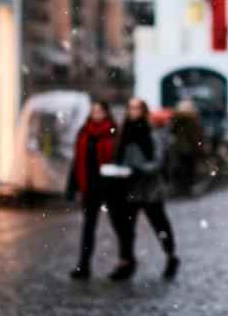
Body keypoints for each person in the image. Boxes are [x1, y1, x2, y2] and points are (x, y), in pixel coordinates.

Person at [111, 98, 181, 280]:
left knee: (159, 224)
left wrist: (140, 169)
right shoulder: (124, 134)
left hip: (150, 188)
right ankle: (126, 261)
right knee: (126, 228)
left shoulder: (152, 134)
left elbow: (157, 162)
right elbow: (119, 157)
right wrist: (120, 170)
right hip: (129, 188)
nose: (133, 112)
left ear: (143, 111)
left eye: (136, 108)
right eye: (130, 108)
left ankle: (171, 256)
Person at [66, 100, 118, 280]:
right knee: (88, 227)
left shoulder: (112, 132)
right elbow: (78, 160)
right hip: (89, 187)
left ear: (105, 112)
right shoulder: (84, 132)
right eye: (93, 110)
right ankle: (84, 265)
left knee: (119, 226)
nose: (95, 113)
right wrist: (72, 186)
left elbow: (116, 158)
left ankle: (125, 261)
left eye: (99, 110)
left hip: (110, 187)